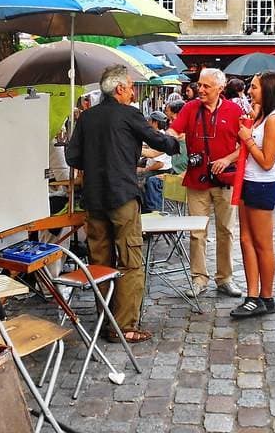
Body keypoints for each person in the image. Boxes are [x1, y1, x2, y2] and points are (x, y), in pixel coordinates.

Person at [65, 65, 180, 343]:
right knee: (130, 261)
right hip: (122, 197)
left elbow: (72, 158)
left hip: (94, 198)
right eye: (129, 86)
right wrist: (176, 142)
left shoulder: (87, 117)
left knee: (100, 261)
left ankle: (105, 321)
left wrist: (99, 160)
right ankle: (125, 325)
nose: (131, 91)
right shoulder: (129, 113)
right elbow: (159, 141)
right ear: (119, 89)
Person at [168, 68, 244, 299]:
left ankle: (225, 278)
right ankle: (198, 278)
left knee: (226, 231)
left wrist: (227, 159)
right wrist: (164, 137)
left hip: (225, 180)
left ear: (220, 89)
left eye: (206, 86)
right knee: (196, 232)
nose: (200, 89)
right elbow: (174, 129)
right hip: (197, 179)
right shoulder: (190, 108)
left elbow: (245, 145)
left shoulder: (234, 110)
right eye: (199, 85)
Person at [232, 71, 275, 318]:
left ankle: (266, 296)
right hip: (247, 181)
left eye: (254, 87)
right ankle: (252, 295)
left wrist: (248, 138)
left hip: (262, 184)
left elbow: (266, 161)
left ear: (268, 90)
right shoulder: (260, 116)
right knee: (245, 240)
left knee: (262, 245)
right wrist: (249, 124)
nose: (250, 91)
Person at [139, 111, 173, 213]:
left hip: (161, 172)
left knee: (140, 179)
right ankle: (144, 209)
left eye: (149, 120)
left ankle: (152, 209)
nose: (147, 122)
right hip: (155, 169)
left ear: (155, 123)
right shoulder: (155, 135)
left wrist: (143, 169)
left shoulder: (160, 138)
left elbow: (160, 164)